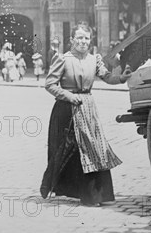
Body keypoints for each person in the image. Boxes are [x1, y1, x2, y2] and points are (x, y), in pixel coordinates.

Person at [40, 22, 133, 206]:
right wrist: (68, 96)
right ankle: (83, 194)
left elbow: (107, 77)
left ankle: (99, 194)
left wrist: (122, 77)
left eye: (87, 38)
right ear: (72, 40)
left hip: (88, 108)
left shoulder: (94, 59)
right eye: (80, 38)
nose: (83, 42)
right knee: (74, 150)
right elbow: (50, 84)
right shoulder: (63, 59)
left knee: (94, 147)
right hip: (67, 109)